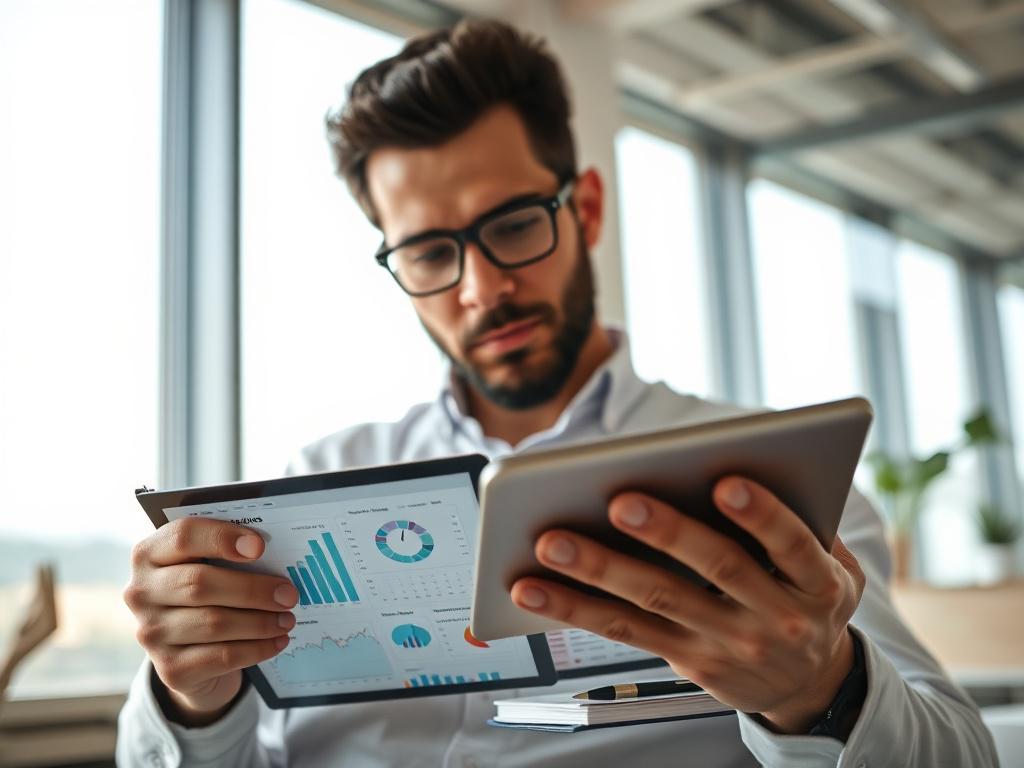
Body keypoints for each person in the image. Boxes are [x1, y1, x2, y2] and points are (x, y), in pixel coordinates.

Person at [117, 18, 996, 768]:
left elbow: (963, 751)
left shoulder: (782, 486)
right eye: (429, 253)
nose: (480, 289)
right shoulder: (316, 482)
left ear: (588, 212)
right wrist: (190, 697)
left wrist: (823, 690)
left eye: (511, 226)